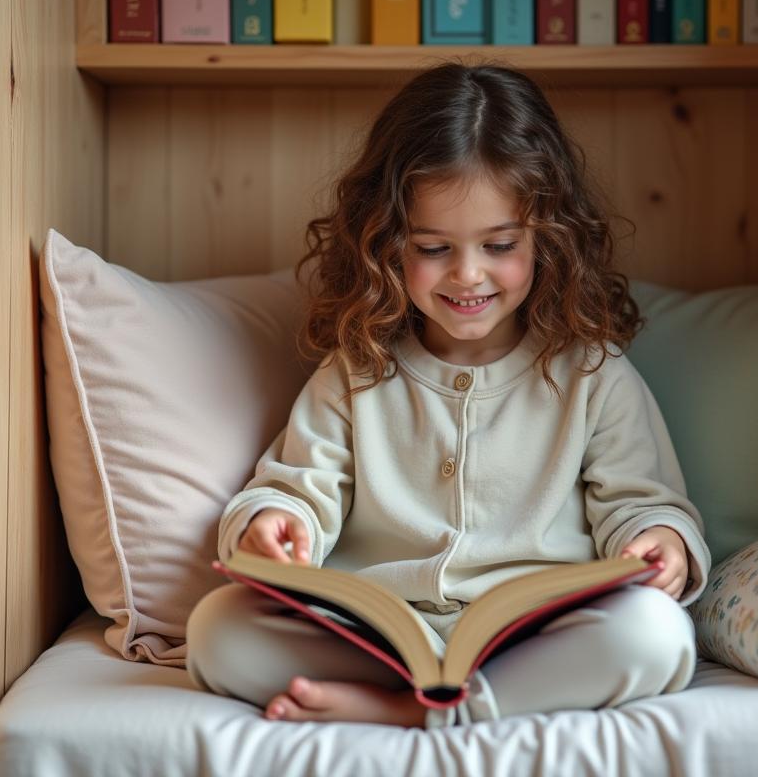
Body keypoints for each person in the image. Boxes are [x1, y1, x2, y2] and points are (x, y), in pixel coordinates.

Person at [186, 63, 711, 729]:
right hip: (378, 636)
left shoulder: (593, 373)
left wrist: (658, 542)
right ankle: (420, 695)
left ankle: (418, 715)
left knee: (657, 634)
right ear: (384, 242)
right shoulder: (357, 370)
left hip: (533, 642)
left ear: (548, 239)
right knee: (217, 628)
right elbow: (294, 488)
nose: (468, 275)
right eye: (433, 247)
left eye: (499, 245)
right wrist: (272, 526)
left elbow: (642, 503)